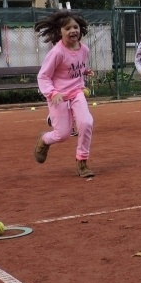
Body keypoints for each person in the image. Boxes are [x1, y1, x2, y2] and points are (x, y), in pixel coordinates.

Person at [33, 10, 96, 178]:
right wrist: (52, 93)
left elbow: (74, 67)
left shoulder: (84, 50)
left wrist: (84, 71)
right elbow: (43, 76)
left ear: (80, 29)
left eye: (75, 27)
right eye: (67, 28)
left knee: (86, 122)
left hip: (77, 92)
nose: (72, 31)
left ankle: (82, 162)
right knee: (62, 135)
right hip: (58, 96)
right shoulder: (57, 53)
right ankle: (44, 139)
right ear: (59, 32)